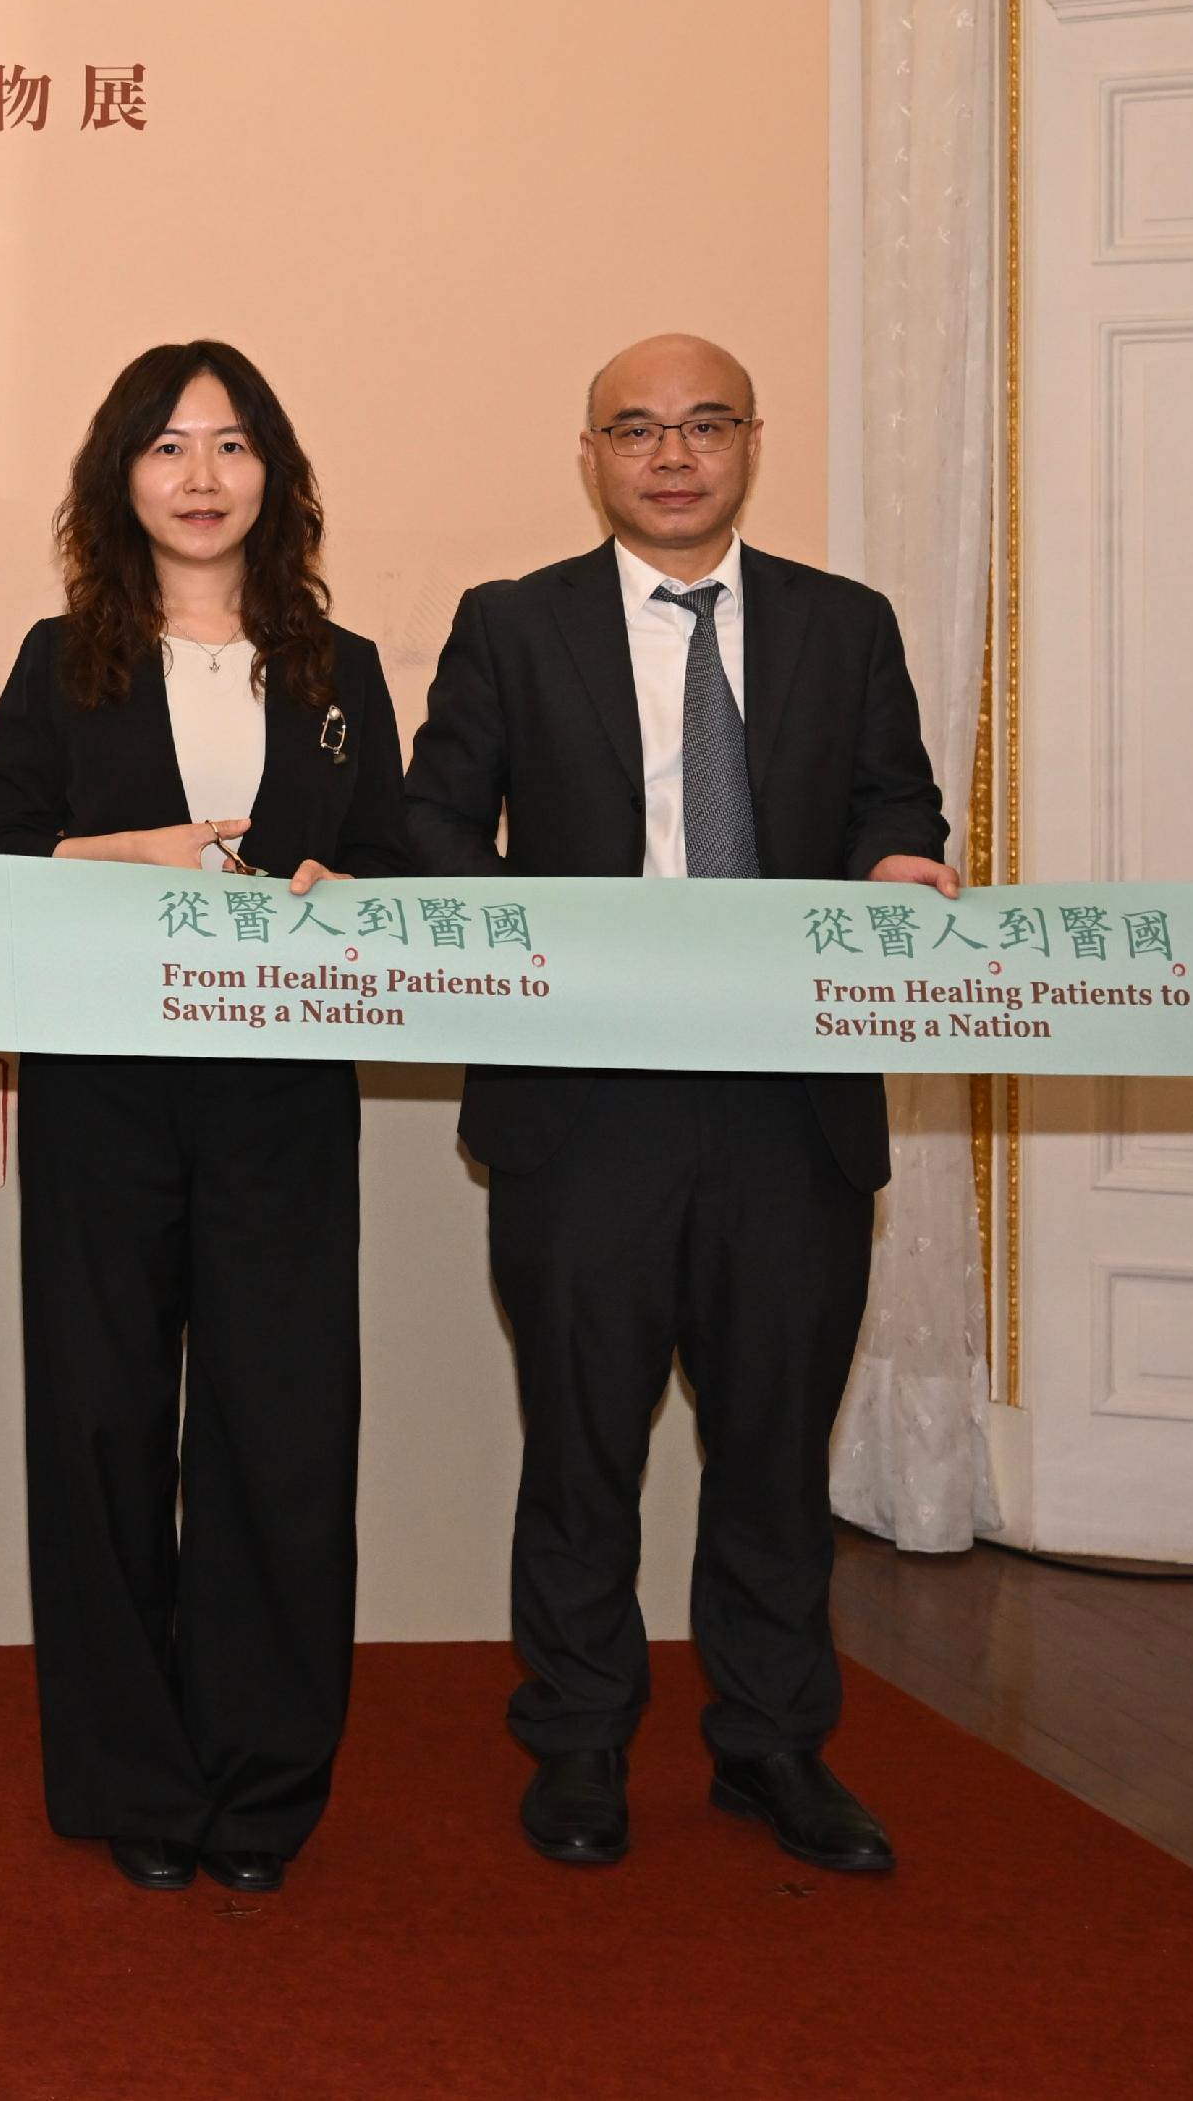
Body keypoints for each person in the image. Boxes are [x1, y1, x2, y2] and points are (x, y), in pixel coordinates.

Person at [404, 331, 952, 1877]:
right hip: (586, 1101)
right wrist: (556, 940)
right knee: (583, 1446)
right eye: (636, 428)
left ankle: (774, 1745)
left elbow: (897, 800)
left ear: (750, 443)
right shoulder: (515, 625)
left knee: (774, 1448)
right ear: (591, 456)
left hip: (793, 1105)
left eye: (704, 422)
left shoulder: (847, 627)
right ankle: (577, 1740)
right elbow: (432, 820)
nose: (672, 453)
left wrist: (903, 861)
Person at [0, 342, 410, 1897]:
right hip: (105, 1098)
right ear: (118, 479)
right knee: (98, 1431)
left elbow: (410, 868)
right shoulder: (58, 656)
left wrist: (366, 897)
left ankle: (266, 1780)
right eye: (166, 446)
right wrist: (115, 849)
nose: (201, 476)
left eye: (231, 445)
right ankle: (130, 1775)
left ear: (274, 475)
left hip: (286, 1107)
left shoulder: (340, 670)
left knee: (279, 1440)